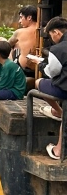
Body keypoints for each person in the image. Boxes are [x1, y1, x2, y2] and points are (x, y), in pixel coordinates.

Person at [35, 17, 67, 159]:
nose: (51, 38)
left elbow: (51, 72)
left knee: (38, 82)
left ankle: (56, 111)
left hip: (65, 90)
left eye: (50, 35)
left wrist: (41, 64)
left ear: (56, 32)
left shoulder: (58, 49)